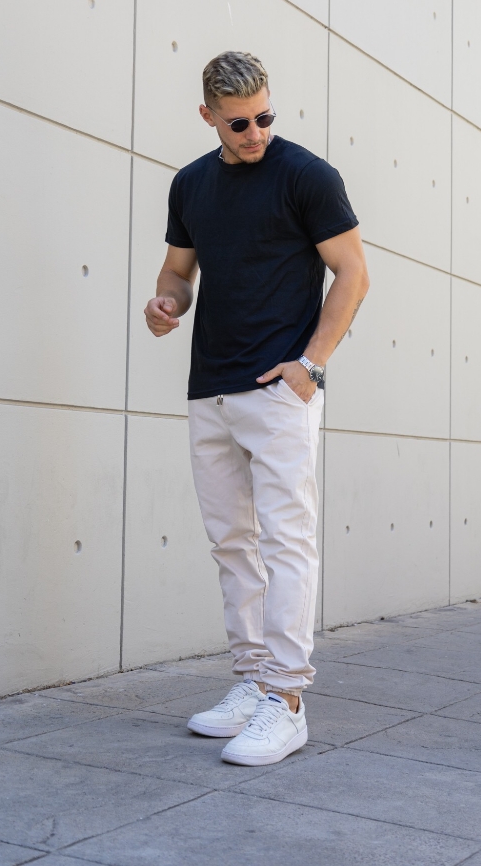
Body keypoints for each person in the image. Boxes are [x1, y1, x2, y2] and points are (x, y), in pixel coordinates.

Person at [145, 51, 368, 766]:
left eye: (265, 116)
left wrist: (311, 365)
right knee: (231, 544)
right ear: (208, 116)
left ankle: (287, 698)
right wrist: (166, 304)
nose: (256, 133)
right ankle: (251, 680)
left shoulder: (306, 176)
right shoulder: (191, 184)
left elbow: (353, 274)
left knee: (286, 541)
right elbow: (178, 271)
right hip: (210, 387)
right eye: (239, 123)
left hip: (278, 390)